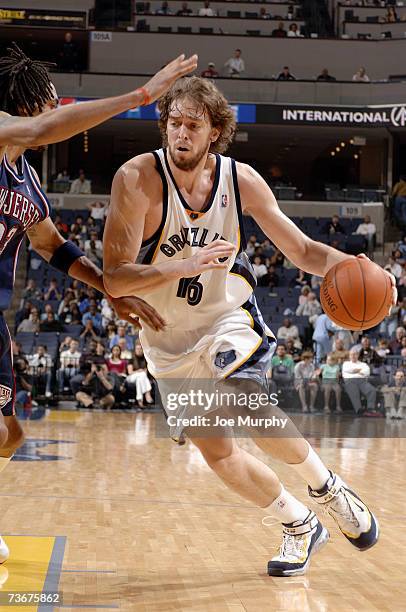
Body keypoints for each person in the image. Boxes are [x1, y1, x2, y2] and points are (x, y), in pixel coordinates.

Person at [103, 76, 395, 577]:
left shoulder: (241, 181)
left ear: (214, 131)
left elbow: (302, 251)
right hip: (167, 342)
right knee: (218, 453)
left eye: (193, 125)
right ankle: (300, 524)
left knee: (243, 395)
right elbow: (114, 276)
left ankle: (329, 489)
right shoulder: (137, 179)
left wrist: (358, 267)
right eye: (174, 123)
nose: (181, 134)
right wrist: (181, 265)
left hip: (225, 318)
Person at [0, 43, 197, 563]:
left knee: (8, 435)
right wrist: (141, 95)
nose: (58, 106)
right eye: (52, 99)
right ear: (28, 101)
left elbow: (50, 246)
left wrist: (111, 288)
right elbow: (42, 130)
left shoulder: (27, 181)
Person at [342, 349, 377, 416]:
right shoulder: (346, 364)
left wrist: (355, 371)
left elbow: (367, 372)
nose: (353, 356)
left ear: (358, 355)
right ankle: (359, 410)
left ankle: (370, 408)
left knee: (371, 390)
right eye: (351, 354)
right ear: (349, 356)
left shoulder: (363, 364)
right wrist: (359, 371)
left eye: (355, 354)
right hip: (350, 380)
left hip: (362, 381)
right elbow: (349, 370)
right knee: (354, 391)